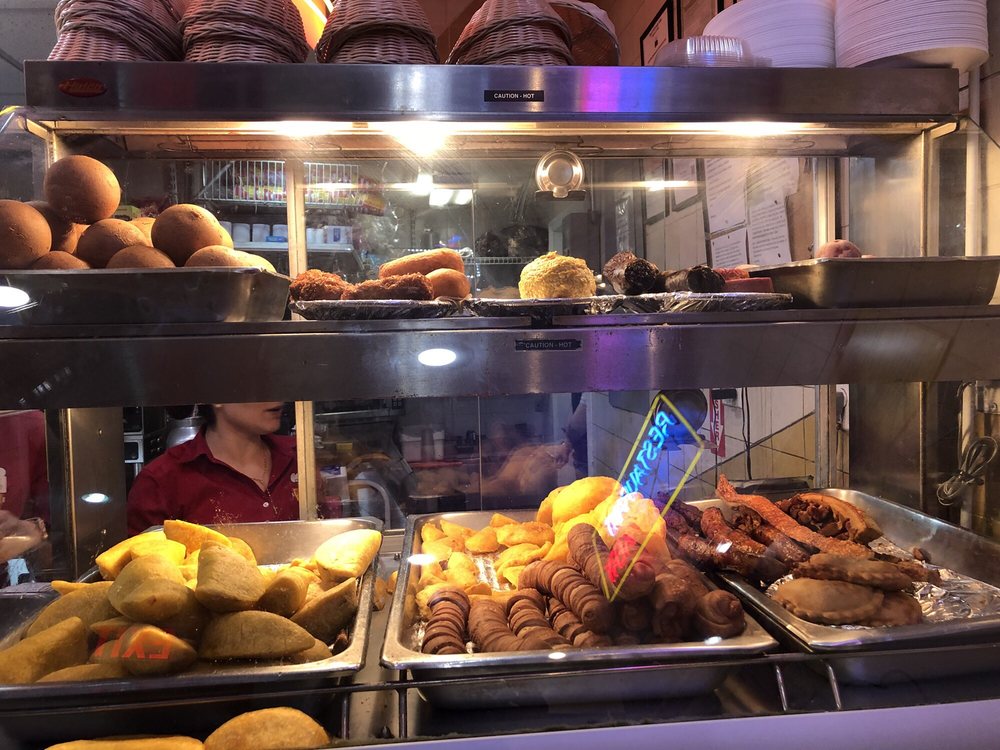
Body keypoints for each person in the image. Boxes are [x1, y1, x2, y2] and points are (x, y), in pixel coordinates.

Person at [127, 402, 299, 535]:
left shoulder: (301, 457)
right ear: (217, 396)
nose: (276, 396)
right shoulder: (161, 482)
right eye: (257, 383)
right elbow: (145, 572)